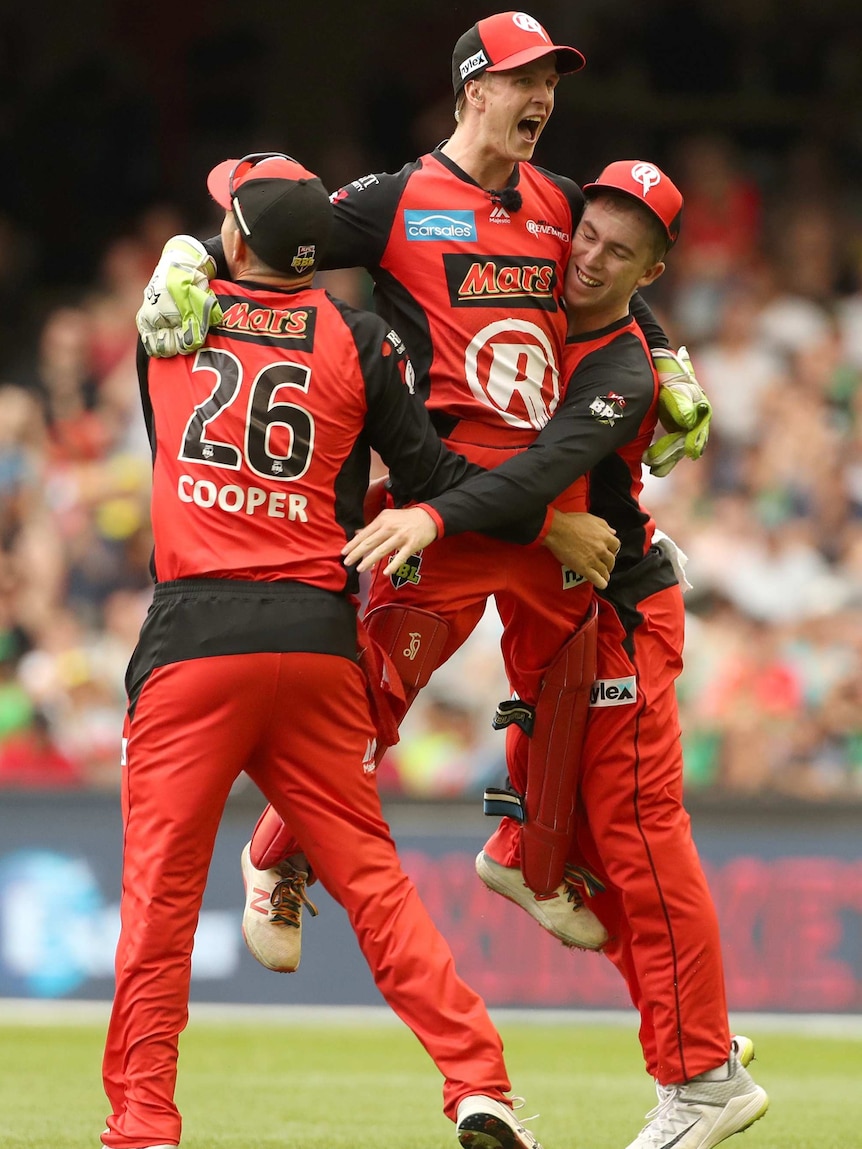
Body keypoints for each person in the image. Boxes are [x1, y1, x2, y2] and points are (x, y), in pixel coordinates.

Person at [137, 10, 657, 956]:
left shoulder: (560, 199)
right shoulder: (395, 199)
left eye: (552, 80)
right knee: (371, 697)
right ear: (472, 91)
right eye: (523, 78)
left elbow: (613, 283)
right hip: (447, 495)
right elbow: (273, 233)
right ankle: (275, 855)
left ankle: (529, 860)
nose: (543, 95)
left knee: (576, 672)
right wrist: (187, 261)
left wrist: (671, 357)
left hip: (546, 488)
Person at [102, 151, 552, 1149]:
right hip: (316, 642)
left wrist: (181, 257)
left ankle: (143, 1124)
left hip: (193, 640)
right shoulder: (363, 336)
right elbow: (436, 471)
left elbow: (172, 310)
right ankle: (480, 1085)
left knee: (160, 894)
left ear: (231, 238)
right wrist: (549, 510)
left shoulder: (176, 322)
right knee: (374, 886)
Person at [345, 161, 768, 1149]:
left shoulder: (618, 367)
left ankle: (700, 1071)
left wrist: (424, 513)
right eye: (586, 235)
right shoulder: (554, 288)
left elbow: (533, 474)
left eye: (620, 252)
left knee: (638, 838)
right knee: (591, 841)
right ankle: (664, 1006)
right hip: (565, 606)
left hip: (619, 607)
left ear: (654, 267)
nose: (589, 257)